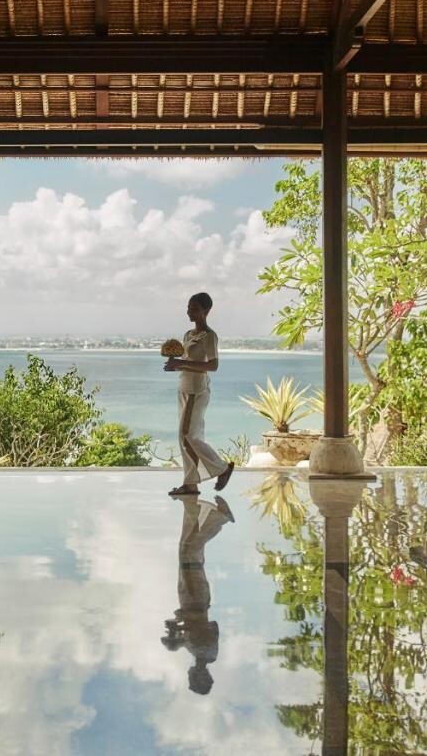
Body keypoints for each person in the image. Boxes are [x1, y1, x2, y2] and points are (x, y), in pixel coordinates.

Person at [162, 493, 235, 695]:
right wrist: (179, 629)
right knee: (188, 552)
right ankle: (218, 518)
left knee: (189, 551)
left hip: (196, 600)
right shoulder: (201, 651)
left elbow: (210, 627)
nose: (190, 674)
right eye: (193, 678)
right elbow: (201, 626)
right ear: (200, 677)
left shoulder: (205, 653)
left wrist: (178, 630)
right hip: (194, 600)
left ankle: (194, 508)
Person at [164, 292, 234, 497]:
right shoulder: (188, 335)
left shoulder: (209, 336)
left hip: (197, 390)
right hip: (184, 387)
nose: (190, 312)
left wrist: (182, 363)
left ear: (206, 311)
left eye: (194, 308)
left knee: (187, 435)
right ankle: (191, 484)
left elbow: (212, 365)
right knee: (187, 437)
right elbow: (188, 362)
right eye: (189, 308)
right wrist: (176, 366)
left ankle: (222, 468)